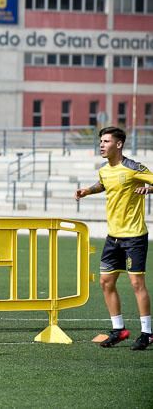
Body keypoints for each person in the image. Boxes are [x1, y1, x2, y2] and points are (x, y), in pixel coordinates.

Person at [74, 126, 152, 350]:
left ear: (118, 144)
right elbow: (104, 184)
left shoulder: (133, 167)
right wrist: (87, 191)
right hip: (113, 237)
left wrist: (149, 189)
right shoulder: (104, 170)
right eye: (100, 141)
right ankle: (119, 330)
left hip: (134, 236)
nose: (101, 144)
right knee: (106, 282)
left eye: (106, 141)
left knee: (137, 283)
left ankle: (147, 333)